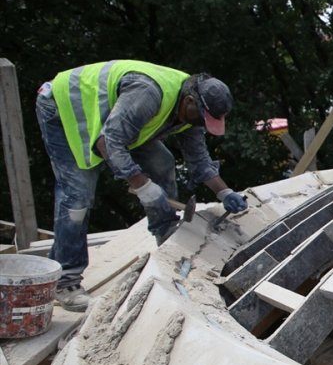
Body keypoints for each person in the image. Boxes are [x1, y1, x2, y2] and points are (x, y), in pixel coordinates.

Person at [35, 59, 248, 312]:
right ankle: (65, 281)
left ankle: (166, 235)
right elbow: (108, 143)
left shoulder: (192, 110)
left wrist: (224, 192)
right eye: (202, 118)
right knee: (77, 197)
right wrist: (144, 187)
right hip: (64, 107)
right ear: (190, 102)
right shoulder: (148, 95)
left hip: (115, 122)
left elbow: (199, 160)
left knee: (161, 162)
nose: (202, 124)